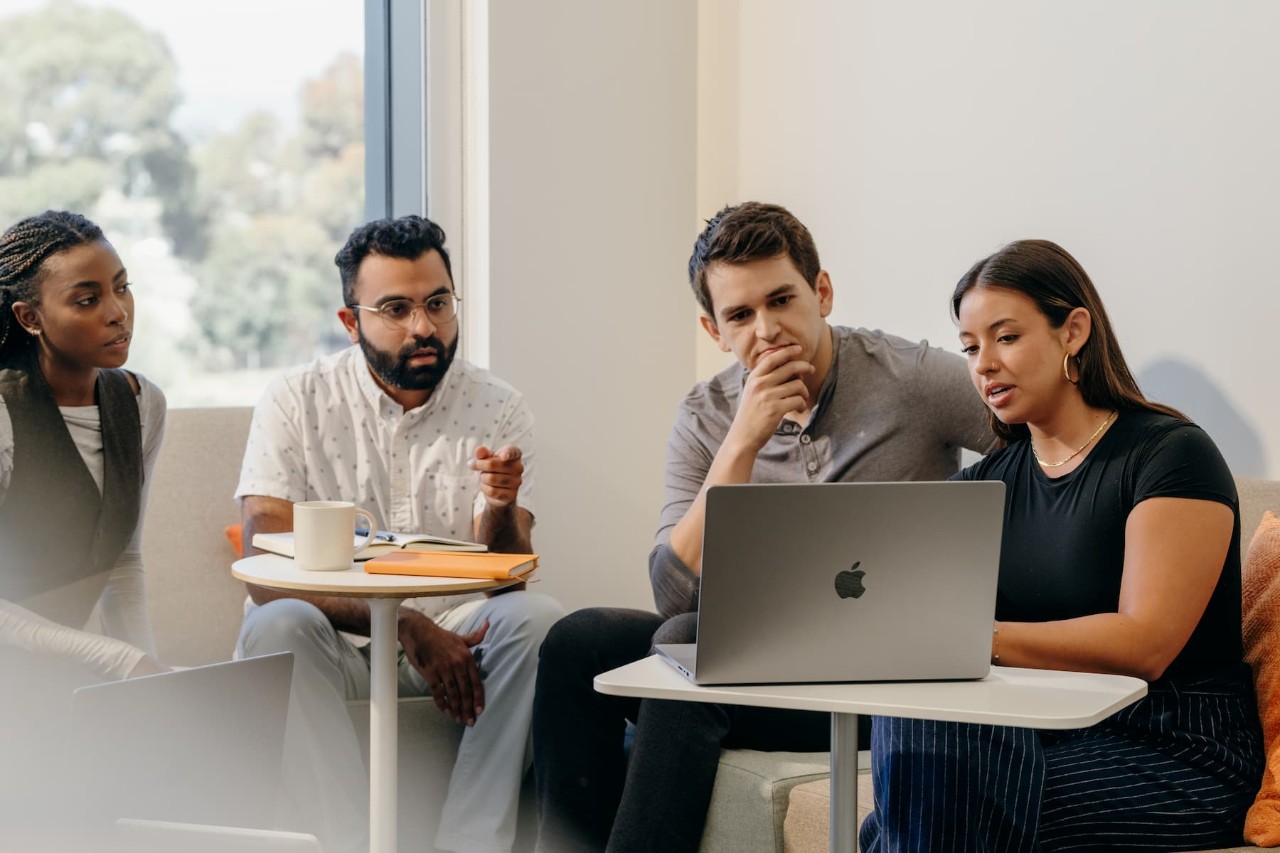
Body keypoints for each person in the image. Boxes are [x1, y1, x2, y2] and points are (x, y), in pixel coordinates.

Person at [531, 202, 995, 853]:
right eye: (740, 315)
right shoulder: (706, 415)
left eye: (781, 300)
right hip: (762, 670)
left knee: (688, 641)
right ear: (714, 329)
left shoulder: (912, 379)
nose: (767, 330)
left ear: (822, 292)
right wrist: (740, 444)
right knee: (580, 641)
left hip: (883, 678)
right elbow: (671, 591)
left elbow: (1042, 435)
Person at [859, 239, 1265, 851]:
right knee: (924, 756)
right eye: (970, 347)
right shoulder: (977, 489)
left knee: (918, 814)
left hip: (1176, 747)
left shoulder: (1170, 455)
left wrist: (979, 640)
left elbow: (1147, 644)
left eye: (1006, 337)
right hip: (1043, 731)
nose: (984, 364)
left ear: (1073, 331)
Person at [235, 214, 564, 853]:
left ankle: (469, 845)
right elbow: (263, 574)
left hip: (457, 641)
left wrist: (501, 505)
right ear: (350, 321)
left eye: (438, 303)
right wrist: (402, 620)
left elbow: (509, 581)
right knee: (275, 627)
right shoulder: (296, 400)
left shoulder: (498, 405)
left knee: (538, 619)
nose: (424, 327)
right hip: (337, 646)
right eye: (396, 309)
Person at [0, 210, 168, 829]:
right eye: (87, 298)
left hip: (60, 674)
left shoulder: (141, 403)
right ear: (30, 317)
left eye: (122, 287)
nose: (118, 312)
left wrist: (149, 680)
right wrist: (117, 661)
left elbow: (123, 560)